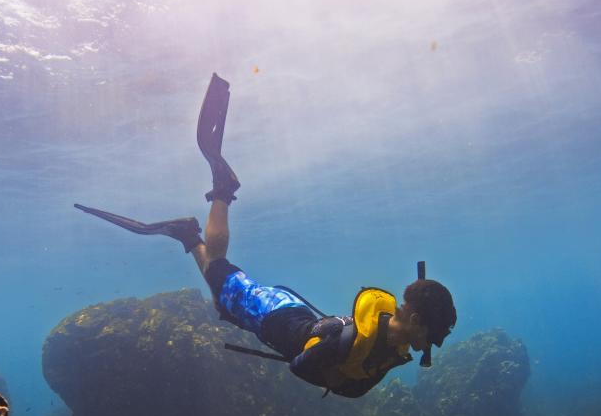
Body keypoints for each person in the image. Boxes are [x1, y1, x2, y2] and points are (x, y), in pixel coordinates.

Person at [75, 73, 457, 398]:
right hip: (273, 315)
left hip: (285, 312)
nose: (429, 347)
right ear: (417, 321)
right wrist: (333, 375)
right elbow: (300, 367)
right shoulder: (355, 339)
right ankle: (221, 191)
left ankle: (188, 236)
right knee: (220, 270)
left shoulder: (392, 343)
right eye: (432, 337)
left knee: (222, 297)